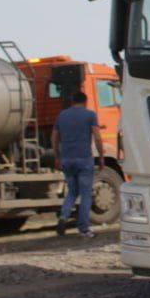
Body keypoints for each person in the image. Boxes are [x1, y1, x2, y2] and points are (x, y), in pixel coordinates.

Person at [51, 90, 105, 238]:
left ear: (72, 101)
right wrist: (101, 156)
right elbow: (98, 137)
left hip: (67, 159)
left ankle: (63, 217)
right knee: (86, 194)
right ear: (85, 101)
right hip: (84, 159)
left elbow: (54, 137)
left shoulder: (62, 115)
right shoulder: (90, 115)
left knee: (72, 192)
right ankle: (84, 228)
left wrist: (57, 156)